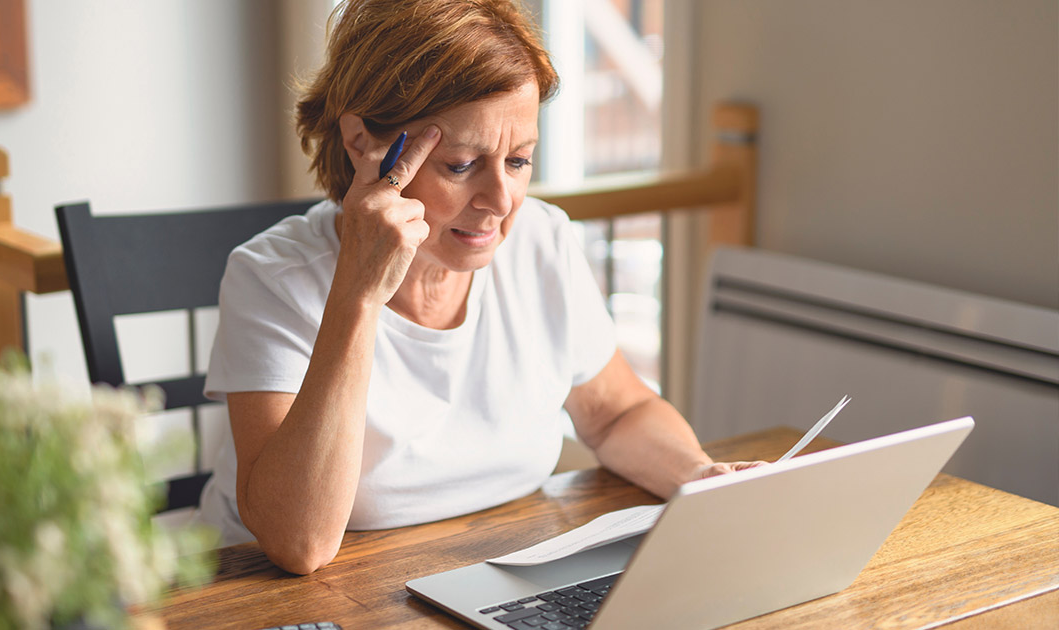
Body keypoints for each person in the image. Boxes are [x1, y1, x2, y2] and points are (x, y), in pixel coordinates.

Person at [198, 0, 762, 575]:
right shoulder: (271, 277)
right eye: (462, 164)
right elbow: (300, 543)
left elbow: (616, 414)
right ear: (361, 142)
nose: (501, 202)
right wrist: (359, 294)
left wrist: (696, 476)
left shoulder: (542, 240)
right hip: (284, 598)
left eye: (518, 161)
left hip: (489, 568)